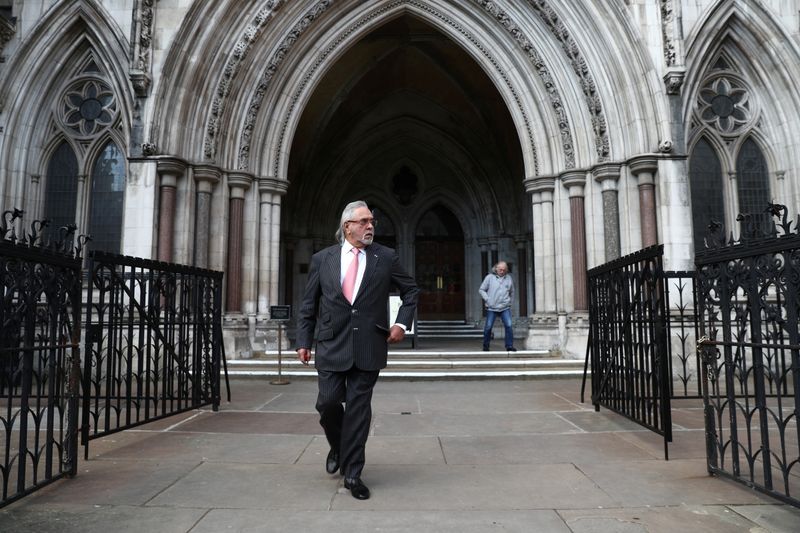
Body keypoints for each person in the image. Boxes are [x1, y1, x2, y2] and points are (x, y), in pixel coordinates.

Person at [296, 200, 419, 500]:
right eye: (364, 221)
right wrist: (303, 340)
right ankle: (338, 445)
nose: (370, 226)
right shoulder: (322, 259)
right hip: (330, 342)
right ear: (347, 226)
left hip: (369, 344)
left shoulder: (385, 257)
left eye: (372, 222)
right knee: (327, 404)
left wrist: (401, 324)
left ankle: (353, 473)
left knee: (358, 411)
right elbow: (309, 302)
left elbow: (411, 290)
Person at [479, 261, 516, 352]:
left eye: (504, 270)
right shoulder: (489, 278)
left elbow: (512, 292)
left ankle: (509, 346)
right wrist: (488, 299)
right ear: (496, 269)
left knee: (509, 325)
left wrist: (510, 302)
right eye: (500, 269)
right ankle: (486, 346)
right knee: (488, 327)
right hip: (492, 307)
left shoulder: (509, 278)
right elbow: (481, 289)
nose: (502, 271)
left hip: (505, 307)